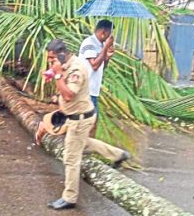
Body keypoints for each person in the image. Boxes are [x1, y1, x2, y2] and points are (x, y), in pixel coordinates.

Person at [36, 39, 130, 211]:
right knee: (82, 143)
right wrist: (53, 73)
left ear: (62, 54)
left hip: (80, 119)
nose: (50, 62)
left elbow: (69, 94)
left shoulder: (76, 69)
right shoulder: (66, 64)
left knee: (71, 158)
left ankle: (69, 197)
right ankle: (118, 154)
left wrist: (57, 75)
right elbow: (61, 80)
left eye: (52, 58)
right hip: (78, 116)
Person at [78, 20, 115, 114]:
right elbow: (94, 65)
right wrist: (106, 47)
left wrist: (107, 58)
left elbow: (101, 67)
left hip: (93, 90)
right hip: (85, 90)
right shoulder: (89, 43)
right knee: (88, 122)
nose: (109, 36)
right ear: (103, 32)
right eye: (109, 33)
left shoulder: (100, 45)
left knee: (93, 121)